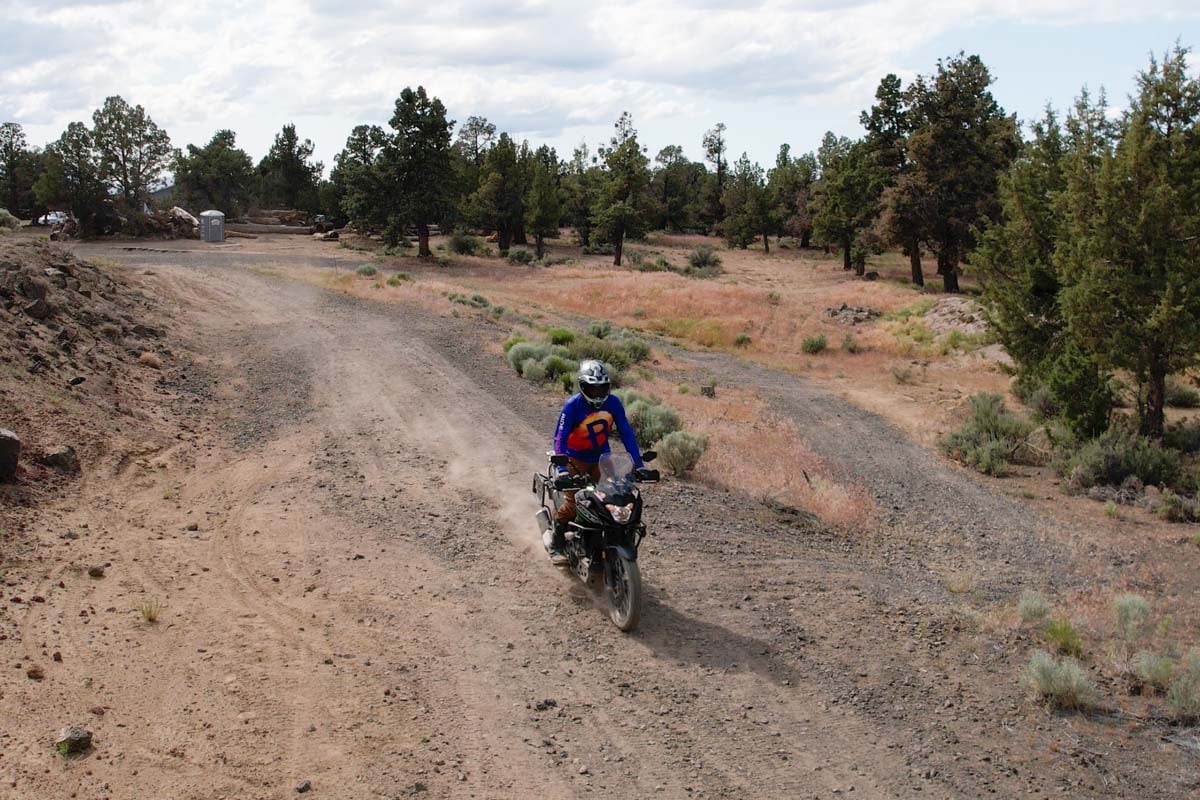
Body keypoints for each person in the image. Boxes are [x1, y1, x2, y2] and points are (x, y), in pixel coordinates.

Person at [545, 359, 643, 565]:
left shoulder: (614, 403)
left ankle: (610, 543)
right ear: (582, 386)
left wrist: (639, 464)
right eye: (592, 388)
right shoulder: (573, 406)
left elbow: (626, 433)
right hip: (574, 460)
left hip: (601, 459)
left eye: (602, 388)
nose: (598, 394)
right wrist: (562, 468)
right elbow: (559, 438)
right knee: (573, 505)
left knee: (615, 500)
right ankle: (556, 542)